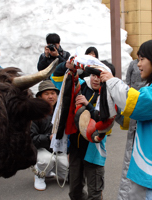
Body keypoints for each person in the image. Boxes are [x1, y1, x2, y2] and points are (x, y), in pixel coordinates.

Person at [100, 39, 152, 200]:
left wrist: (112, 82)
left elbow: (137, 104)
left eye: (141, 59)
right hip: (144, 166)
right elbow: (129, 116)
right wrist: (108, 93)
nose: (137, 65)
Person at [51, 57, 113, 200]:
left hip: (94, 151)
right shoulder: (81, 85)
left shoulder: (108, 95)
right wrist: (65, 66)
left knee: (94, 194)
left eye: (99, 76)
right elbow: (58, 79)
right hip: (75, 149)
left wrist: (88, 105)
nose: (96, 79)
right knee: (74, 192)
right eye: (93, 75)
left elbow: (105, 122)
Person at [30, 80, 69, 191]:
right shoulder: (35, 114)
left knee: (70, 172)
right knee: (46, 160)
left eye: (53, 93)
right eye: (46, 94)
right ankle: (39, 175)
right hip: (41, 149)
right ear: (40, 97)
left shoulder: (62, 111)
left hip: (59, 150)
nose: (50, 96)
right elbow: (31, 139)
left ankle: (50, 169)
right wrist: (48, 138)